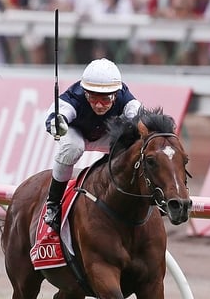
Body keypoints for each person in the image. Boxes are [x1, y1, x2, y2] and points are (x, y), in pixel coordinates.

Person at [43, 58, 142, 231]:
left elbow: (138, 113)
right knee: (73, 148)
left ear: (116, 94)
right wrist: (56, 123)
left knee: (131, 145)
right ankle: (53, 204)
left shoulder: (125, 97)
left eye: (105, 99)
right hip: (77, 133)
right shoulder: (75, 96)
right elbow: (56, 113)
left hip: (105, 135)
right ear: (84, 92)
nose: (98, 104)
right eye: (92, 97)